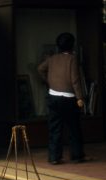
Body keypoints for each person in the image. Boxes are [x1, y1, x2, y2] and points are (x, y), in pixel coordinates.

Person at [37, 32, 89, 165]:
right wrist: (80, 97)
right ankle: (77, 155)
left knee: (55, 128)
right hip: (69, 98)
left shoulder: (52, 58)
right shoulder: (72, 59)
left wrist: (49, 81)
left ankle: (54, 157)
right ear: (72, 45)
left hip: (53, 97)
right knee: (73, 128)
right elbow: (75, 80)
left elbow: (40, 69)